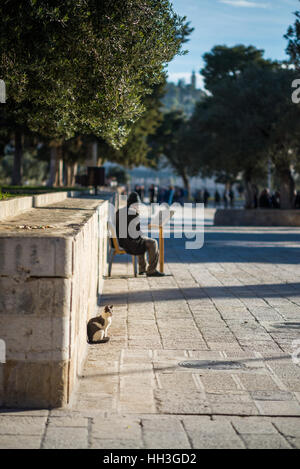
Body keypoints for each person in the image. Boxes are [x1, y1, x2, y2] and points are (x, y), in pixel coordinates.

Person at [116, 192, 164, 277]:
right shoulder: (134, 214)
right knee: (153, 243)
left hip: (120, 241)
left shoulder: (119, 211)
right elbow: (136, 235)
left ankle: (142, 269)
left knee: (142, 240)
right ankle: (151, 270)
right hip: (129, 243)